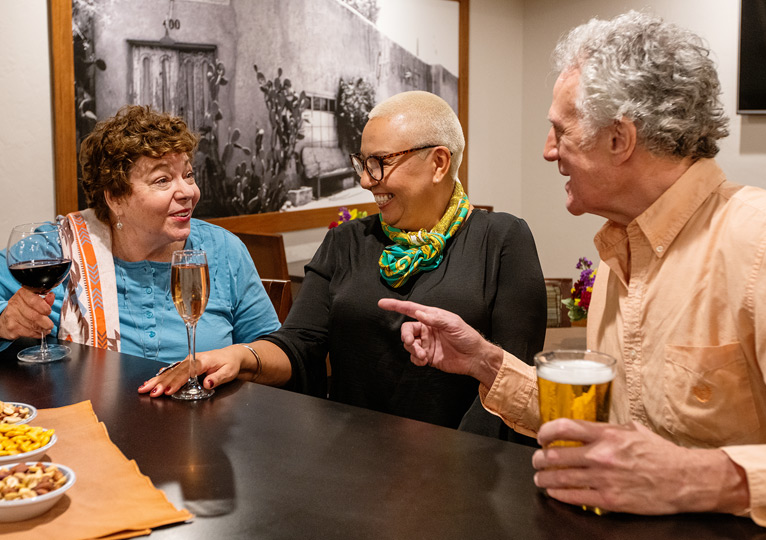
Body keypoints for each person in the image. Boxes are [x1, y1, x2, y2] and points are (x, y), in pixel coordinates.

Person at [379, 11, 766, 528]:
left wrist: (699, 477)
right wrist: (485, 362)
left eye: (559, 131)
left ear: (620, 139)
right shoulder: (620, 252)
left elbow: (664, 465)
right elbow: (602, 424)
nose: (549, 151)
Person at [140, 91, 547, 441]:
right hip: (354, 457)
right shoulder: (347, 241)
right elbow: (299, 346)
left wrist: (453, 459)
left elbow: (514, 377)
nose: (367, 181)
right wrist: (238, 357)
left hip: (468, 466)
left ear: (439, 163)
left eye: (381, 162)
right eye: (363, 163)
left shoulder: (502, 240)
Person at [0, 105, 280, 363]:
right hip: (91, 414)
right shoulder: (62, 248)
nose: (187, 192)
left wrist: (239, 358)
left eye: (189, 175)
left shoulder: (223, 249)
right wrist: (4, 320)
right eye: (163, 180)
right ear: (116, 198)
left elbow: (278, 354)